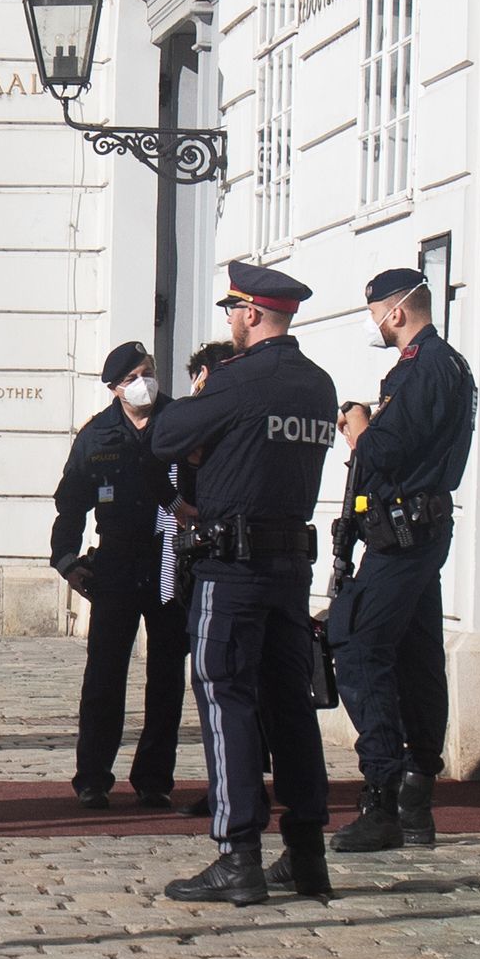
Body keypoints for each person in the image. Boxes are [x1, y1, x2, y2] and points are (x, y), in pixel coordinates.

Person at [142, 261, 345, 908]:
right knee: (290, 704)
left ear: (252, 313)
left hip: (232, 567)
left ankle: (238, 853)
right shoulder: (318, 384)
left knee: (224, 694)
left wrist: (204, 405)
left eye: (233, 310)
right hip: (290, 567)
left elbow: (166, 436)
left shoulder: (237, 379)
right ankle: (307, 852)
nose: (230, 320)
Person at [327, 267, 478, 853]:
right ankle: (415, 796)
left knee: (358, 643)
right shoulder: (440, 365)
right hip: (411, 529)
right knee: (416, 655)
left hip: (405, 532)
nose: (375, 326)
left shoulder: (427, 366)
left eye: (375, 315)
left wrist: (361, 427)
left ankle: (383, 795)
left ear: (397, 312)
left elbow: (387, 452)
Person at [50, 340, 184, 810]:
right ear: (114, 389)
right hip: (117, 565)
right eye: (132, 378)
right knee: (104, 677)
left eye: (147, 372)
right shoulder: (98, 434)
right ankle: (92, 778)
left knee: (167, 676)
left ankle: (154, 779)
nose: (143, 382)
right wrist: (66, 560)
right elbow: (70, 503)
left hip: (170, 564)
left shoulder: (180, 421)